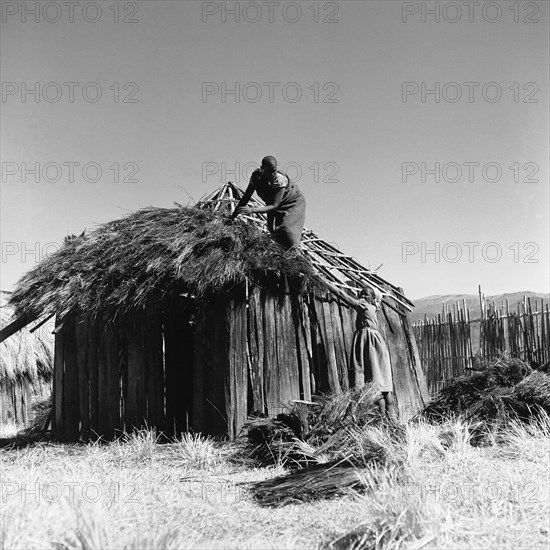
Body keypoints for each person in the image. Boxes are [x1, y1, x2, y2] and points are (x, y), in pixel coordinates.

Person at [325, 281, 397, 420]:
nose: (363, 295)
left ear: (372, 298)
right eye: (361, 293)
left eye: (367, 294)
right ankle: (390, 422)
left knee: (374, 379)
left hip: (368, 344)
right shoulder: (374, 307)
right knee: (380, 380)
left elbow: (340, 293)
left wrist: (325, 283)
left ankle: (385, 423)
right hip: (376, 344)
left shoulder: (363, 305)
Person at [232, 155, 306, 250]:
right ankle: (277, 249)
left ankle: (292, 254)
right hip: (272, 203)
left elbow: (274, 206)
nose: (272, 174)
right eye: (270, 172)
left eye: (274, 171)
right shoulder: (256, 177)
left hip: (292, 202)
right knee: (273, 230)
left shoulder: (279, 179)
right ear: (262, 169)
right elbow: (246, 197)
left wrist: (252, 210)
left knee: (287, 230)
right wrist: (233, 217)